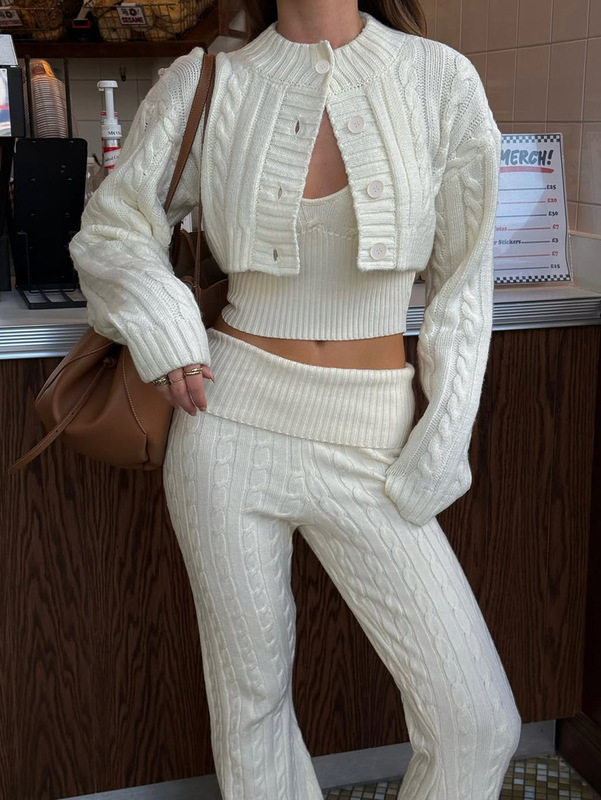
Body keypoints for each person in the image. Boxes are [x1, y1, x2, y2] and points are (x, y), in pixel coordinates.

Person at [69, 1, 522, 798]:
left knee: (477, 724)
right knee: (251, 712)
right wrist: (167, 324)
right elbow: (113, 229)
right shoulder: (209, 80)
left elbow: (465, 286)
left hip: (373, 438)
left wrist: (443, 438)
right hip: (226, 427)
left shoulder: (439, 80)